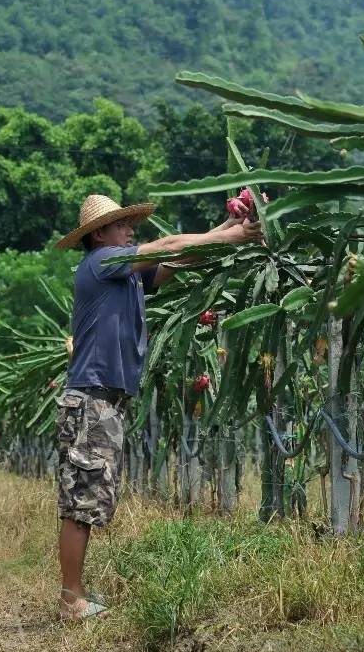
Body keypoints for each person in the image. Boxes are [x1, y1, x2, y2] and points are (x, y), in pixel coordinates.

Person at [51, 193, 262, 620]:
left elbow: (176, 260)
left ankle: (75, 593)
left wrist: (227, 228)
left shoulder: (125, 275)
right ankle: (71, 598)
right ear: (99, 235)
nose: (131, 230)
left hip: (104, 401)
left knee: (90, 498)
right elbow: (166, 246)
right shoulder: (101, 263)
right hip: (91, 399)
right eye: (122, 224)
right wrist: (234, 237)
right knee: (81, 503)